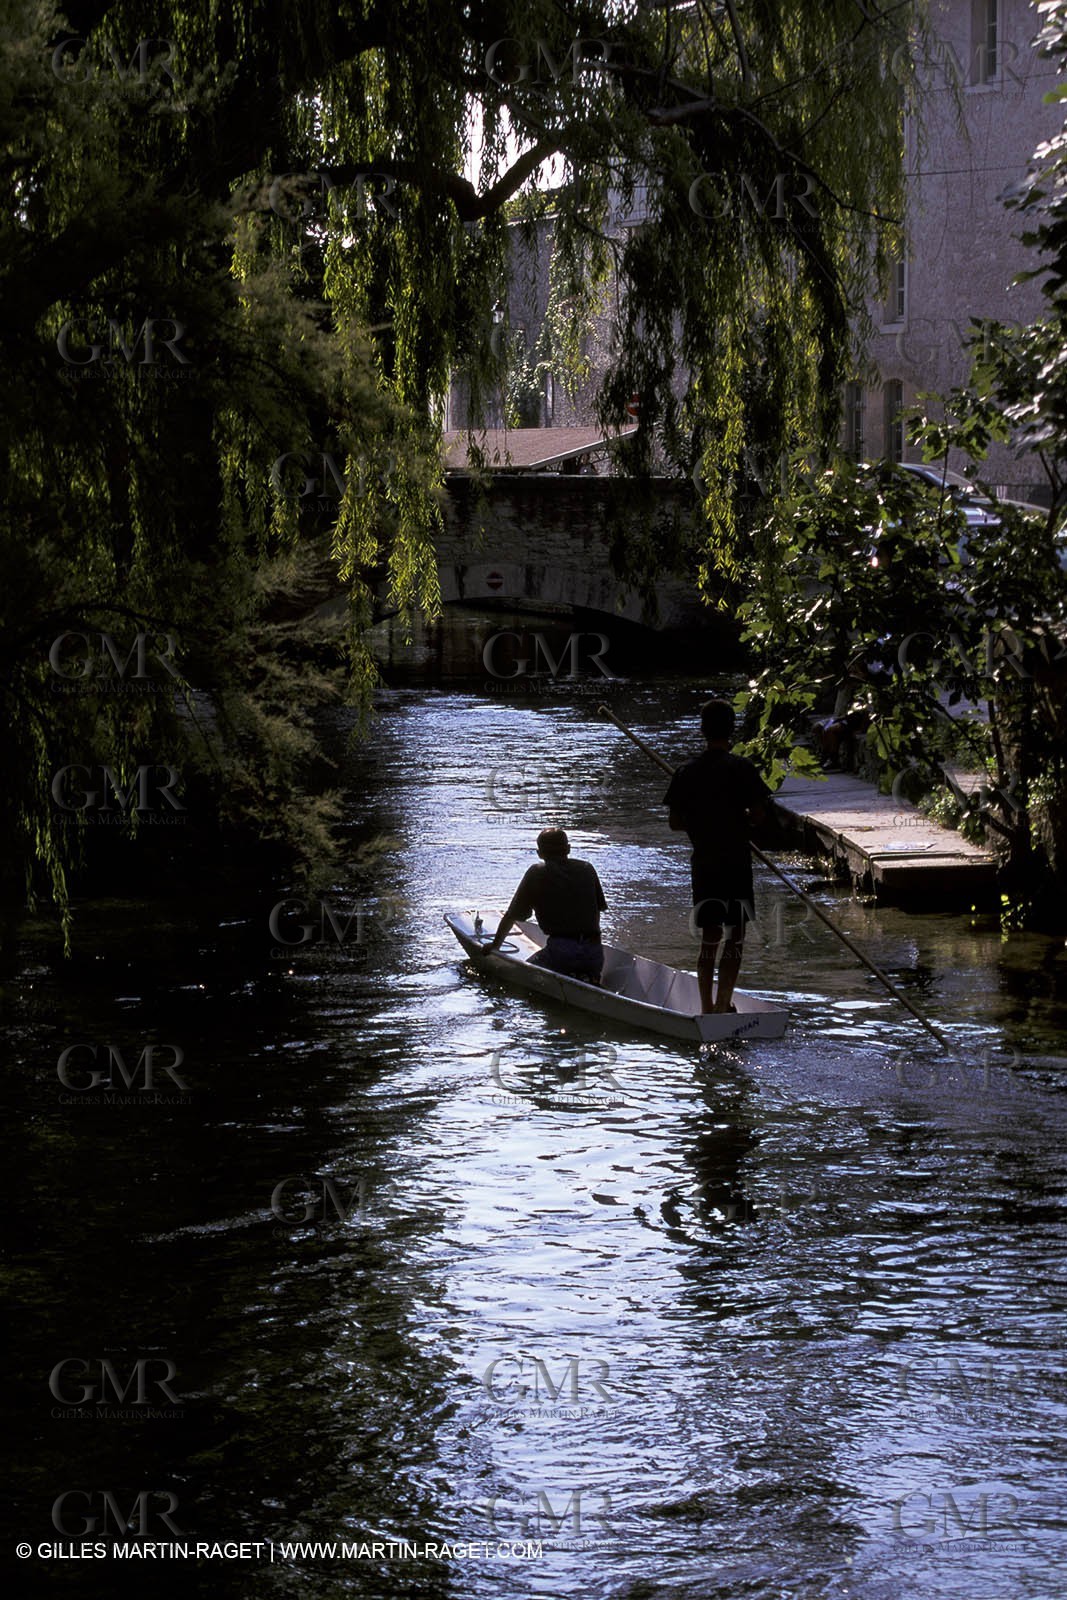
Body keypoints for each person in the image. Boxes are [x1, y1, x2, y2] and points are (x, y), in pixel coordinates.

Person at [662, 699, 772, 1014]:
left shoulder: (686, 772)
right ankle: (725, 1001)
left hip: (705, 863)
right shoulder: (743, 769)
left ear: (702, 730)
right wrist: (739, 820)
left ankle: (708, 1006)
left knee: (709, 936)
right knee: (735, 936)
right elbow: (759, 816)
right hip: (736, 861)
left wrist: (703, 822)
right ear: (731, 730)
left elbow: (675, 823)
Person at [479, 828, 606, 983]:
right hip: (594, 951)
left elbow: (513, 915)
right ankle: (589, 977)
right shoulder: (587, 869)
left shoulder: (537, 873)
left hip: (561, 951)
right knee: (583, 970)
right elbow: (597, 911)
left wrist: (495, 945)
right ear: (568, 849)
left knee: (520, 976)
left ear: (539, 853)